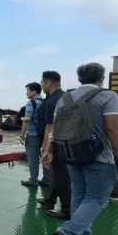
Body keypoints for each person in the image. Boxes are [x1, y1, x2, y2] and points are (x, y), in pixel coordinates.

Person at [49, 63, 118, 235]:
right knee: (97, 198)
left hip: (70, 153)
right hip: (99, 156)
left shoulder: (65, 98)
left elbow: (55, 127)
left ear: (79, 79)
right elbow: (113, 128)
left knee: (79, 193)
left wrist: (49, 150)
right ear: (101, 78)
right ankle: (69, 230)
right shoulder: (108, 96)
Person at [38, 71, 70, 219]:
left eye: (42, 83)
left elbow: (50, 126)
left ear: (48, 83)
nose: (42, 86)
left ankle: (66, 209)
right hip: (68, 141)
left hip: (56, 142)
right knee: (58, 175)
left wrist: (45, 148)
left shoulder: (52, 100)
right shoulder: (66, 97)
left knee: (61, 176)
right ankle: (50, 199)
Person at [20, 82, 49, 187]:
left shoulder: (31, 103)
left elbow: (27, 120)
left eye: (28, 90)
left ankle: (33, 180)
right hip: (45, 134)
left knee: (33, 158)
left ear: (34, 91)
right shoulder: (46, 101)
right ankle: (47, 180)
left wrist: (22, 135)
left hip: (33, 134)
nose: (26, 93)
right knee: (45, 156)